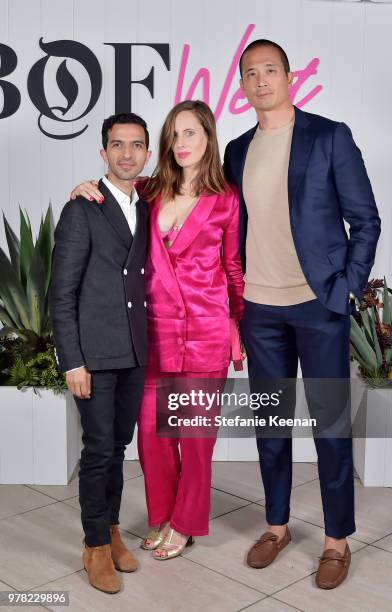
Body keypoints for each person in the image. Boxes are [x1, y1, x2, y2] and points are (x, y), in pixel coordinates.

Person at [223, 39, 381, 589]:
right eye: (251, 73)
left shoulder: (329, 136)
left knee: (330, 426)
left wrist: (346, 291)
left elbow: (366, 220)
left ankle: (337, 539)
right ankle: (276, 525)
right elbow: (219, 222)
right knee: (270, 425)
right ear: (242, 86)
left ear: (289, 76)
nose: (261, 80)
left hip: (319, 307)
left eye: (270, 70)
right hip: (260, 310)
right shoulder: (238, 151)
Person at [70, 100, 245, 560]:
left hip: (206, 331)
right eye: (175, 134)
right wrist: (84, 187)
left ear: (208, 137)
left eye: (191, 133)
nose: (182, 143)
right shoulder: (148, 191)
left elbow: (233, 268)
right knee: (151, 434)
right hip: (152, 332)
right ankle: (164, 514)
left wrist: (237, 326)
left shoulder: (226, 197)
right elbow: (111, 197)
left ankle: (185, 524)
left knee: (194, 436)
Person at [50, 113, 151, 593]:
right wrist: (72, 360)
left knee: (118, 447)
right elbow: (61, 293)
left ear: (147, 154)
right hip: (93, 354)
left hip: (135, 351)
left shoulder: (150, 204)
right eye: (117, 145)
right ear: (103, 153)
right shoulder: (82, 208)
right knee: (96, 452)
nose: (127, 154)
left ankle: (112, 531)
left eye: (136, 146)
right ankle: (93, 546)